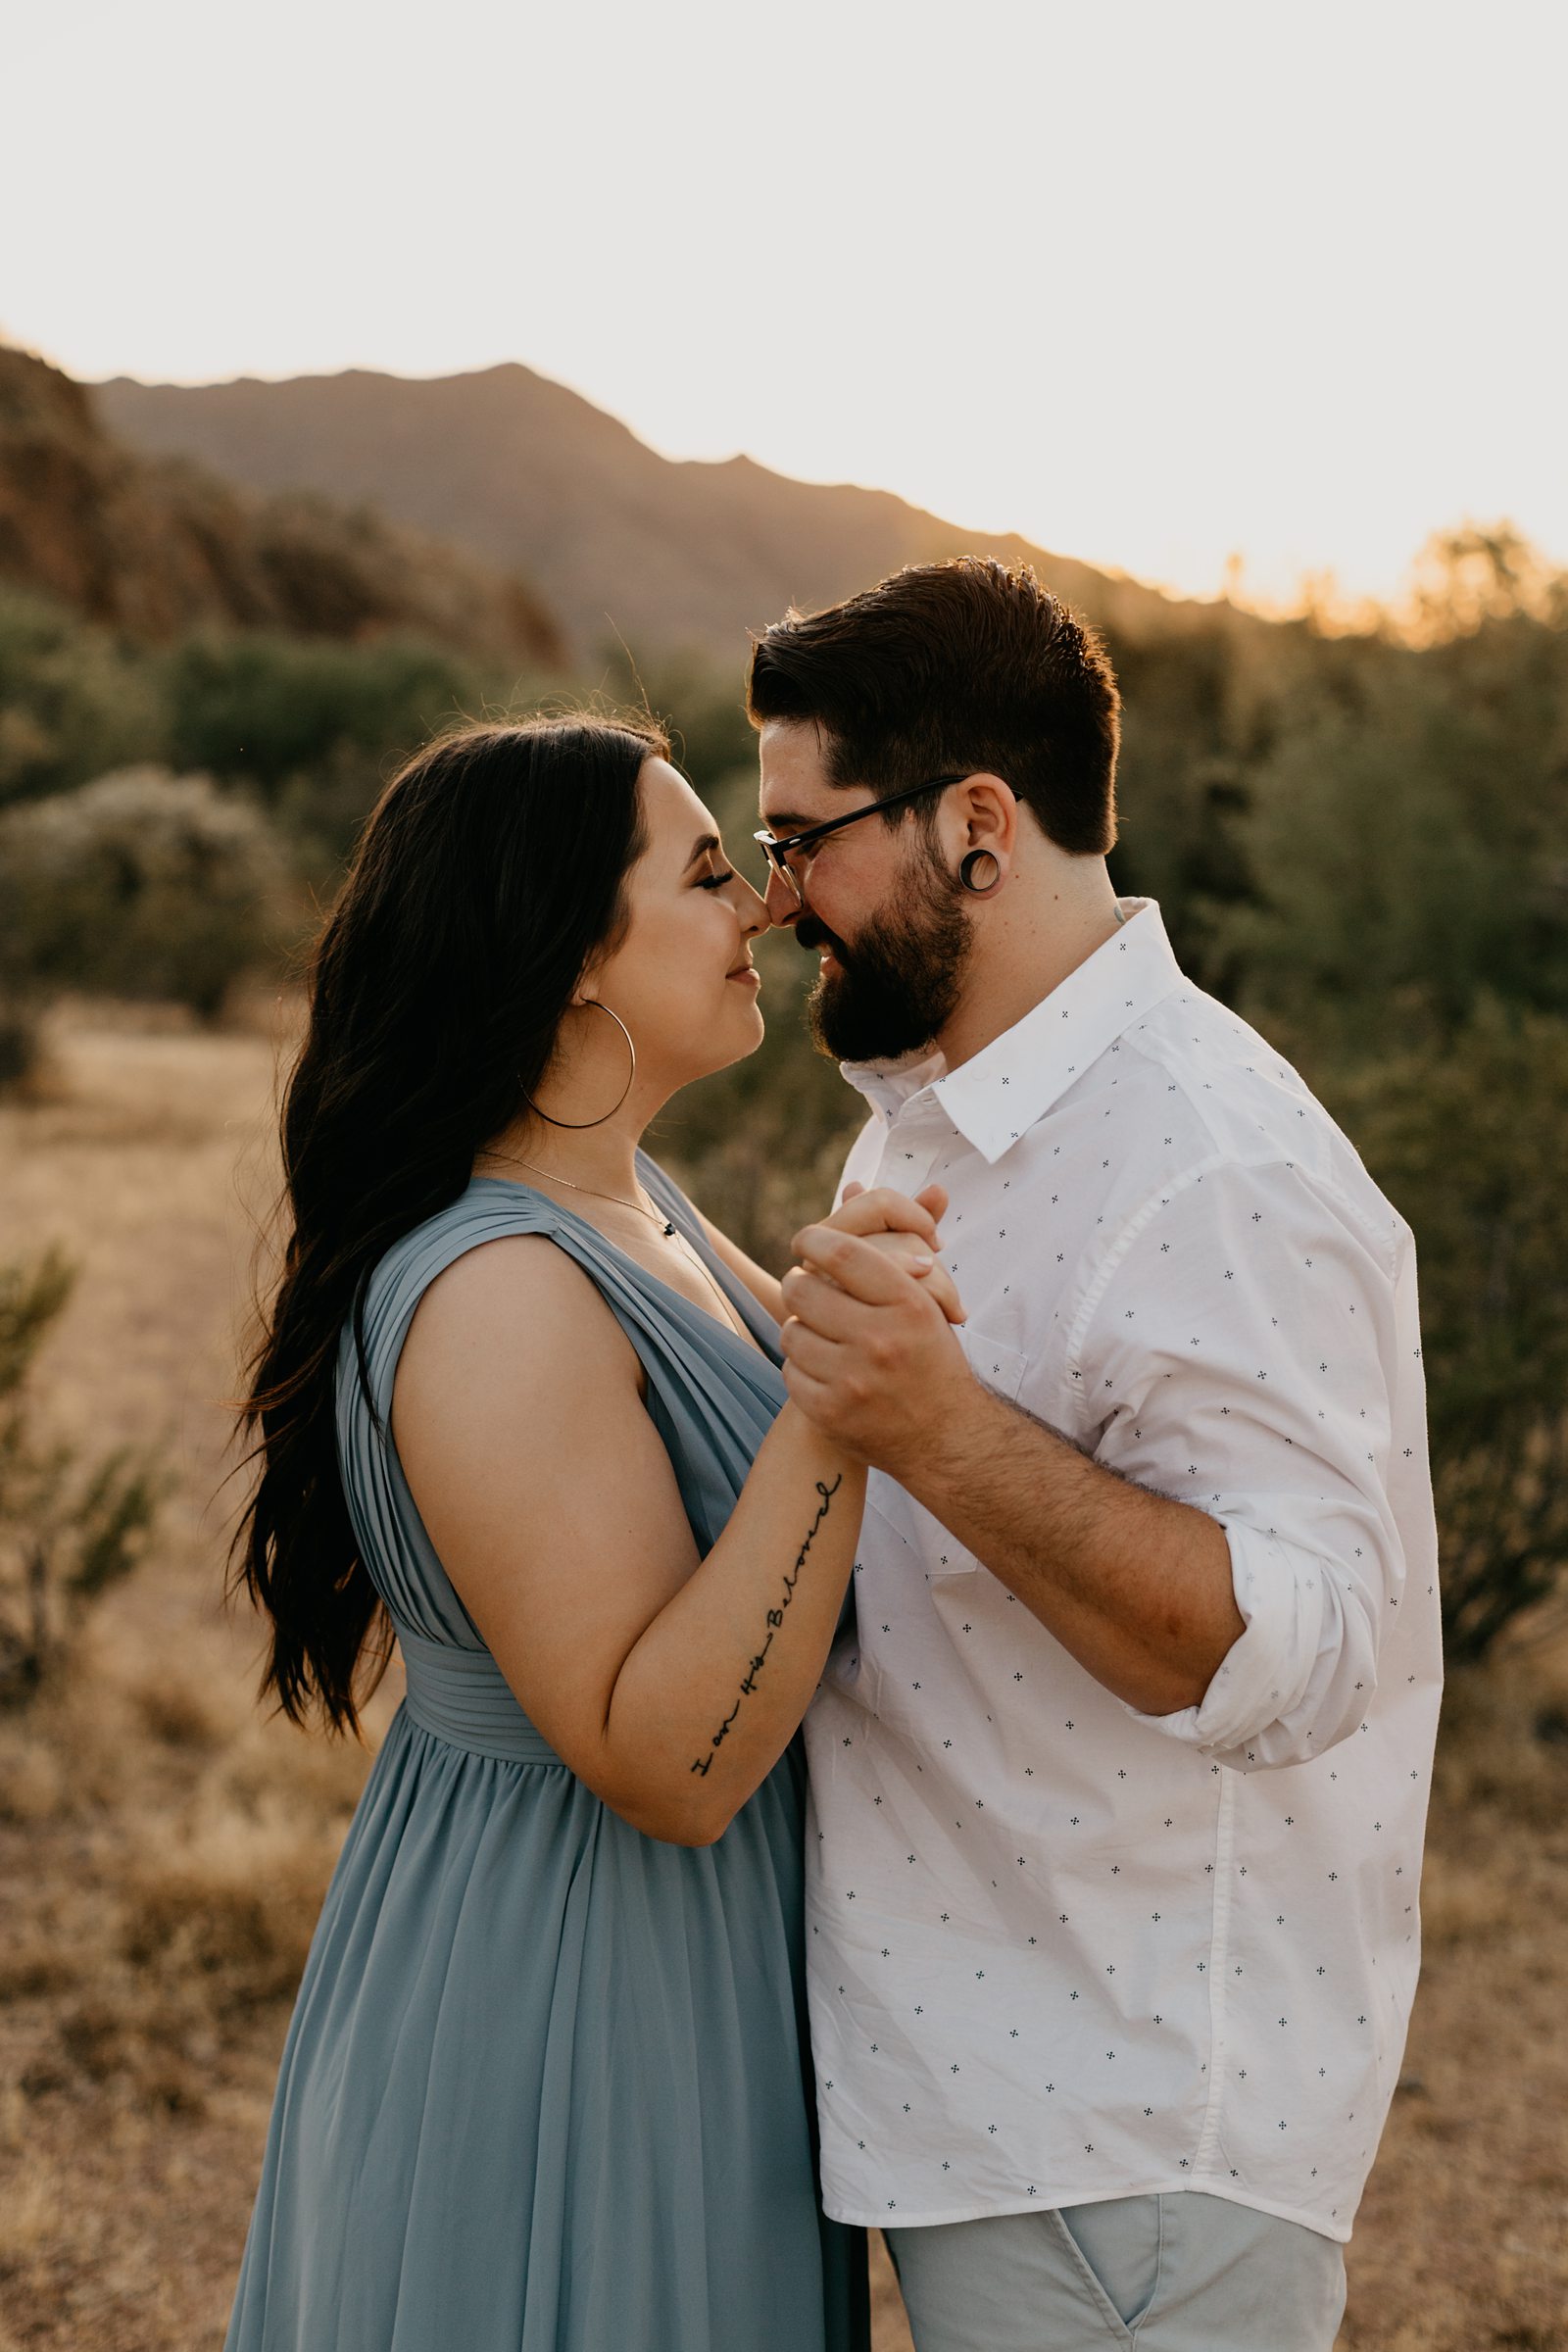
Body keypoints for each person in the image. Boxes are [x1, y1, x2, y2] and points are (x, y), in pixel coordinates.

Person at [749, 559, 1443, 2352]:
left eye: (804, 838)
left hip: (1134, 2142)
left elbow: (1300, 1647)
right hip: (989, 2111)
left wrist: (940, 1429)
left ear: (975, 825)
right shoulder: (938, 1126)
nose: (777, 902)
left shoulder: (1207, 1158)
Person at [225, 714, 961, 2352]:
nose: (760, 908)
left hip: (682, 1974)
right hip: (565, 1982)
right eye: (710, 874)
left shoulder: (635, 1205)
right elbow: (669, 1760)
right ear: (567, 959)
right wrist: (841, 1405)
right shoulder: (497, 1291)